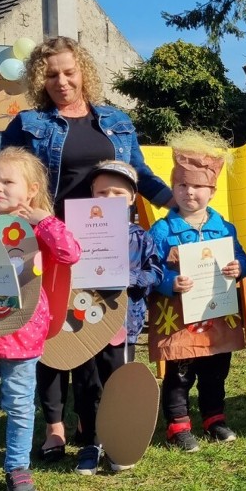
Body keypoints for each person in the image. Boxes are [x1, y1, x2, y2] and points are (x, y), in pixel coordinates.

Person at [0, 35, 172, 462]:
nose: (62, 81)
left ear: (84, 73)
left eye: (69, 72)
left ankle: (92, 421)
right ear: (41, 78)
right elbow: (8, 179)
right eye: (52, 74)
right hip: (50, 241)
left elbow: (141, 175)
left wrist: (177, 204)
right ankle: (56, 427)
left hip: (104, 244)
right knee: (54, 331)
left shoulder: (116, 120)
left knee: (95, 329)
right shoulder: (27, 124)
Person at [0, 149, 81, 491]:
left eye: (7, 181)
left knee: (18, 404)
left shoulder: (39, 228)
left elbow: (70, 253)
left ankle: (17, 468)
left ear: (30, 190)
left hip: (22, 334)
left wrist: (45, 220)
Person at [148, 130, 246, 452]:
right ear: (173, 187)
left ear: (212, 190)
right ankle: (178, 426)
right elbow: (149, 270)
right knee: (179, 374)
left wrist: (239, 268)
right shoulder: (161, 230)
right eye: (182, 185)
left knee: (215, 370)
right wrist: (169, 282)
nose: (189, 192)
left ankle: (214, 419)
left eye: (197, 186)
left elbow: (243, 258)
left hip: (216, 315)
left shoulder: (225, 228)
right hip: (178, 319)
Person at [73, 160, 164, 474]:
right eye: (101, 192)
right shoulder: (78, 233)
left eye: (116, 192)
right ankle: (90, 442)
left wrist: (131, 277)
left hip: (122, 324)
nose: (107, 198)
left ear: (131, 197)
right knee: (87, 382)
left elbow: (155, 271)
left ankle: (117, 442)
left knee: (117, 382)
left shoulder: (141, 237)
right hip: (84, 321)